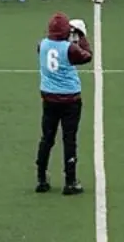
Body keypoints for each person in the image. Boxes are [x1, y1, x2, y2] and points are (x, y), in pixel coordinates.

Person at [34, 12, 92, 196]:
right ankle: (70, 181)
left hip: (49, 98)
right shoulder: (69, 49)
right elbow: (86, 56)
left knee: (47, 138)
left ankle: (41, 178)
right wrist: (81, 36)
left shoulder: (42, 45)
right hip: (70, 100)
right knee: (69, 139)